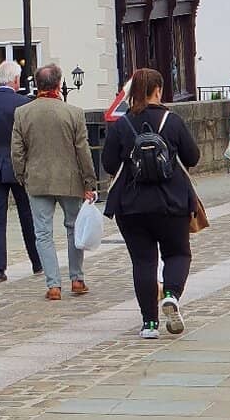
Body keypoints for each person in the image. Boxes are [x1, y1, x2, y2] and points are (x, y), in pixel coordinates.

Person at [102, 67, 200, 340]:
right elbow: (192, 157)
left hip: (131, 205)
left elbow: (109, 164)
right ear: (158, 90)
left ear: (132, 93)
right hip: (172, 203)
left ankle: (149, 324)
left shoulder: (122, 125)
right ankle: (170, 294)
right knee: (178, 253)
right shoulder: (173, 120)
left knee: (143, 261)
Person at [11, 63, 97, 300]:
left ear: (36, 85)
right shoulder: (74, 113)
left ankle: (53, 285)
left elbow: (17, 151)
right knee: (73, 229)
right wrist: (89, 181)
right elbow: (83, 150)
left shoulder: (22, 113)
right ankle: (77, 279)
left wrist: (21, 175)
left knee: (43, 233)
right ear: (59, 85)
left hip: (37, 179)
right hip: (70, 180)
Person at [0, 59, 44, 282]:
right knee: (27, 216)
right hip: (19, 167)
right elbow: (31, 137)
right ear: (15, 80)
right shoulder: (23, 103)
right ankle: (37, 261)